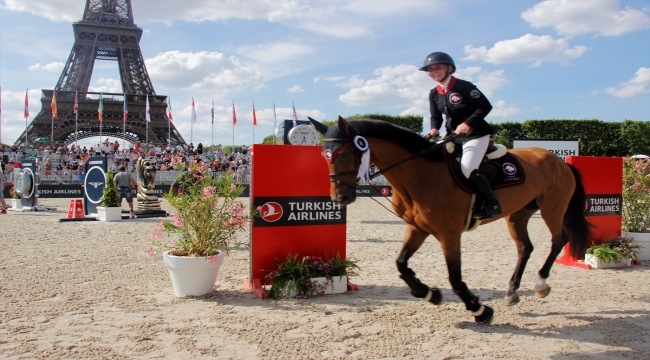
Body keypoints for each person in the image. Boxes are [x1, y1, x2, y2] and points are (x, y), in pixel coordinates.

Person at [420, 51, 501, 220]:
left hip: (476, 134)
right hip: (453, 136)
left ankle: (492, 204)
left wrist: (467, 124)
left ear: (449, 68)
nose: (434, 71)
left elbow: (485, 106)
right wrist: (434, 129)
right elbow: (435, 116)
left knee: (468, 168)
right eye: (430, 69)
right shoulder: (434, 93)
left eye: (438, 67)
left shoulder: (463, 86)